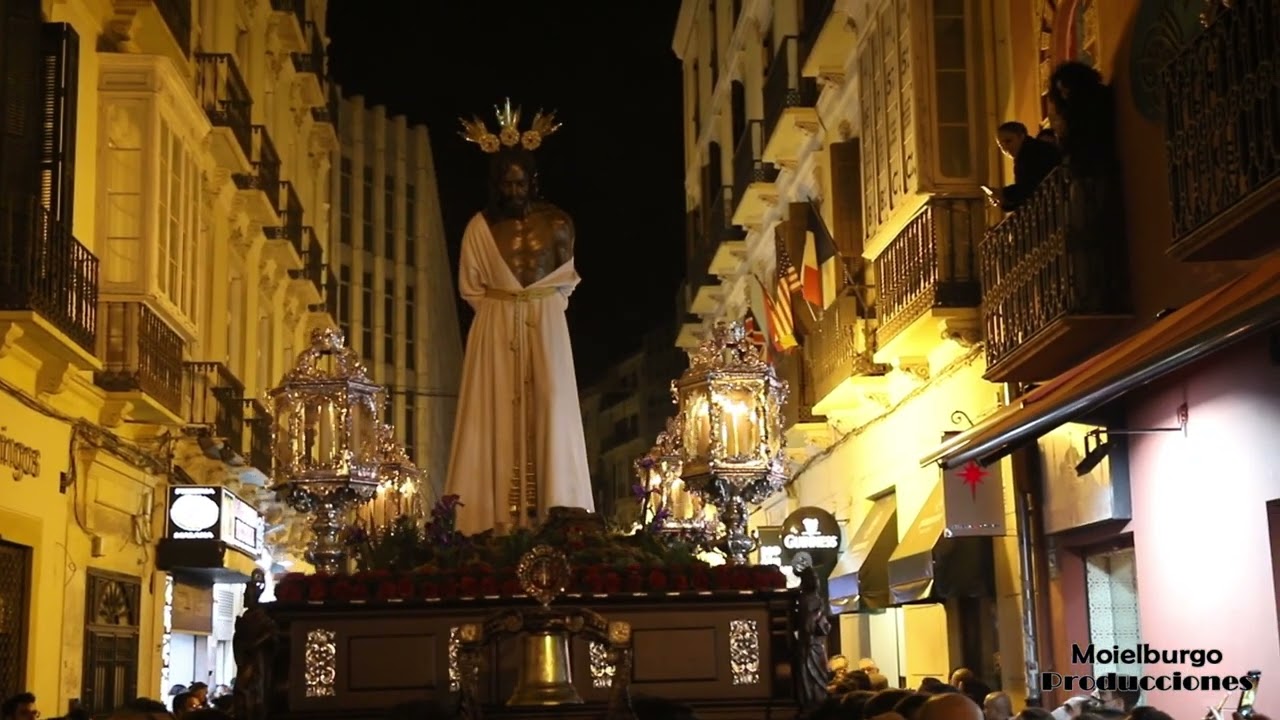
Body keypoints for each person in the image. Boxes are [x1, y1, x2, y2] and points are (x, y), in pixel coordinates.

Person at [445, 99, 595, 535]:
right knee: (491, 414)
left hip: (546, 320)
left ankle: (559, 514)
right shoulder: (479, 227)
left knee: (552, 403)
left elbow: (566, 283)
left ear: (532, 180)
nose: (514, 191)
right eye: (506, 184)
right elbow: (471, 287)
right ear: (496, 185)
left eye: (520, 182)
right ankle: (483, 522)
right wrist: (505, 310)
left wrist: (535, 306)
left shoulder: (560, 223)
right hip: (495, 325)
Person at [988, 121, 1061, 212]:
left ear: (1021, 137)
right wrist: (1004, 202)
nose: (1005, 148)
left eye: (1008, 141)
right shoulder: (1025, 154)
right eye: (1000, 145)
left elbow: (1030, 186)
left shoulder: (1033, 152)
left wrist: (1004, 193)